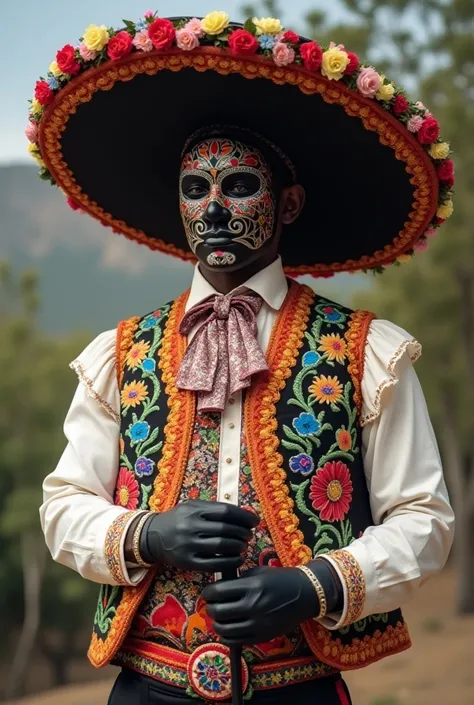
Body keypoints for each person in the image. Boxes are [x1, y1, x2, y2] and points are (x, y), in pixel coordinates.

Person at [32, 10, 455, 705]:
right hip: (147, 687)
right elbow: (62, 506)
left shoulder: (365, 352)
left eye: (239, 186)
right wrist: (147, 532)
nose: (215, 209)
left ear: (288, 204)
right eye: (196, 190)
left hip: (298, 686)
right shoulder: (119, 353)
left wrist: (314, 584)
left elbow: (425, 520)